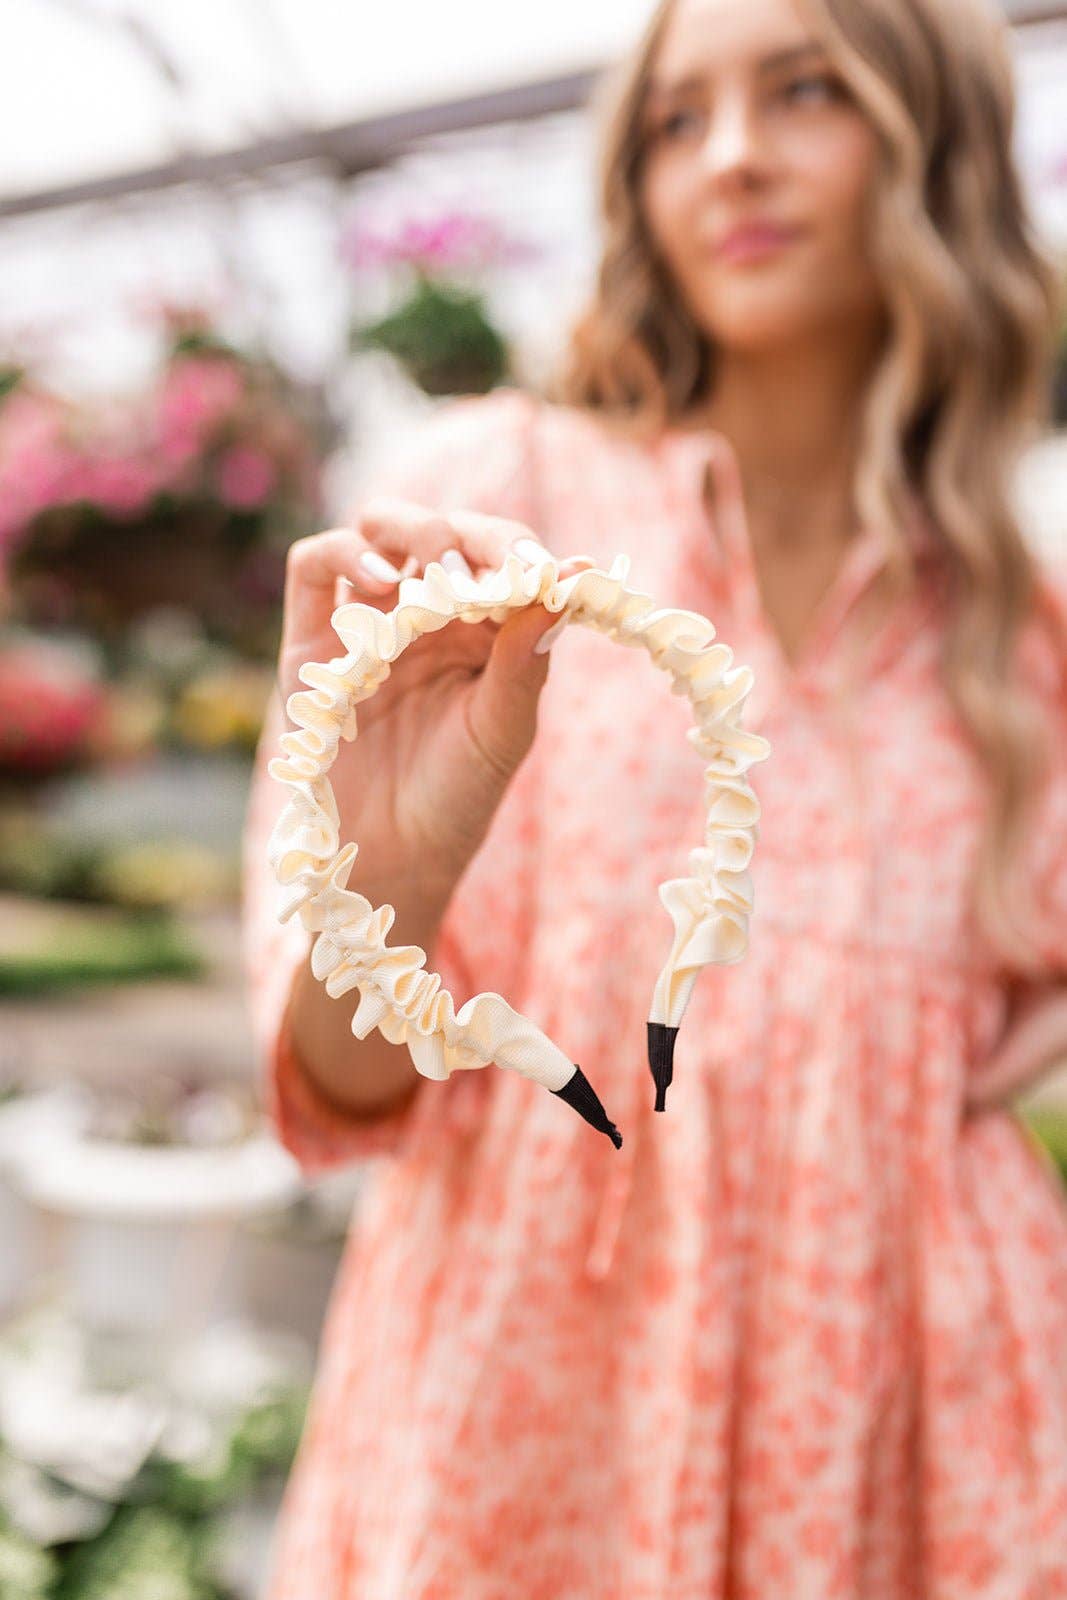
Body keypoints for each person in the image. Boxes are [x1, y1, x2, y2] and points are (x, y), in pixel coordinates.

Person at [241, 0, 1067, 1592]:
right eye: (680, 121)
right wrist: (394, 873)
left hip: (903, 1428)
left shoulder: (1018, 628)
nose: (734, 157)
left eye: (806, 90)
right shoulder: (501, 509)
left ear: (941, 144)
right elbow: (335, 1091)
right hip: (533, 1404)